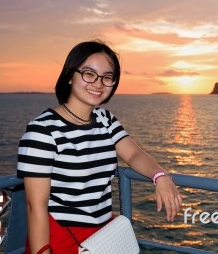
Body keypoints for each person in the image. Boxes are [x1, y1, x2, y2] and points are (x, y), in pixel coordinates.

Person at [17, 40, 182, 254]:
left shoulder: (105, 119)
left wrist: (160, 176)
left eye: (107, 77)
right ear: (69, 75)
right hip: (61, 238)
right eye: (89, 73)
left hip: (103, 235)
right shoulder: (43, 130)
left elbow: (133, 153)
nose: (98, 83)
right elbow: (35, 206)